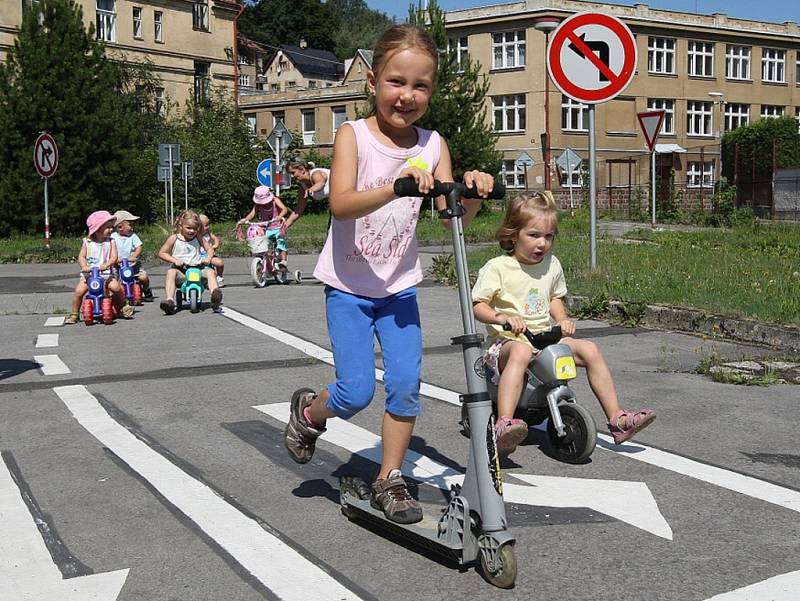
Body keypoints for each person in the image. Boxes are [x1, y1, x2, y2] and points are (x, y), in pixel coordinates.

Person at [283, 24, 495, 525]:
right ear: (375, 81)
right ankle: (309, 413)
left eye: (420, 86)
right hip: (349, 288)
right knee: (355, 391)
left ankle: (389, 479)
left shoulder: (434, 144)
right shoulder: (352, 135)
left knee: (404, 385)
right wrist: (398, 187)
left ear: (432, 91)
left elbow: (453, 222)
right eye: (397, 82)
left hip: (399, 289)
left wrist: (473, 195)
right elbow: (340, 203)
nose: (407, 96)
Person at [471, 192, 656, 455]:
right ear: (513, 234)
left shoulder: (551, 264)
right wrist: (501, 318)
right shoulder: (498, 267)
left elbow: (555, 298)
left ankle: (618, 419)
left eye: (548, 237)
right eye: (534, 235)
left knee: (590, 348)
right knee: (522, 351)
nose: (542, 244)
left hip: (544, 337)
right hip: (507, 344)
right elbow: (478, 305)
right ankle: (504, 423)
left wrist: (562, 319)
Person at [64, 210, 134, 324]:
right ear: (97, 229)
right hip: (89, 275)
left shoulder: (111, 242)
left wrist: (107, 264)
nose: (111, 230)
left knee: (117, 287)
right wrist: (84, 266)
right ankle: (74, 314)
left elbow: (114, 256)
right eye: (108, 227)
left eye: (112, 227)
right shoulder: (87, 242)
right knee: (78, 292)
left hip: (106, 274)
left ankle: (123, 306)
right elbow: (81, 256)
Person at [157, 209, 222, 314]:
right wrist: (175, 260)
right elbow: (162, 253)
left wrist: (208, 258)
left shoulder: (198, 238)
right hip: (182, 270)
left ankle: (215, 294)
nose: (192, 231)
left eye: (195, 229)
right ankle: (169, 300)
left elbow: (209, 249)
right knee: (171, 272)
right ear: (181, 226)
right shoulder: (174, 238)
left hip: (198, 268)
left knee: (210, 272)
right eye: (188, 228)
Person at [239, 186, 289, 271]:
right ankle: (267, 262)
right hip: (266, 227)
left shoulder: (275, 200)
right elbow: (252, 213)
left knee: (281, 241)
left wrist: (279, 216)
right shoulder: (258, 205)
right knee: (263, 243)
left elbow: (284, 209)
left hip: (277, 227)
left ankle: (283, 261)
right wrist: (245, 220)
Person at [112, 209, 153, 301]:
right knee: (114, 281)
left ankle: (146, 290)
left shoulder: (132, 236)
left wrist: (134, 256)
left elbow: (139, 246)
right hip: (118, 265)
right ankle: (115, 295)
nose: (132, 227)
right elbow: (109, 249)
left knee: (143, 277)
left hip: (133, 265)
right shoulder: (113, 237)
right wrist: (114, 258)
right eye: (130, 224)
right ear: (120, 227)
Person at [285, 158, 330, 228]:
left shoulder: (316, 173)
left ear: (302, 170)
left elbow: (320, 183)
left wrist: (312, 189)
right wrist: (284, 226)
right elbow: (299, 209)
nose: (291, 176)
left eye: (293, 173)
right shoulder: (303, 187)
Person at [198, 213, 225, 287]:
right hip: (199, 256)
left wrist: (215, 244)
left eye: (208, 225)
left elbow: (215, 238)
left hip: (209, 255)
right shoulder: (195, 235)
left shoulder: (208, 232)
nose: (208, 227)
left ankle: (219, 277)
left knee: (220, 263)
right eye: (206, 225)